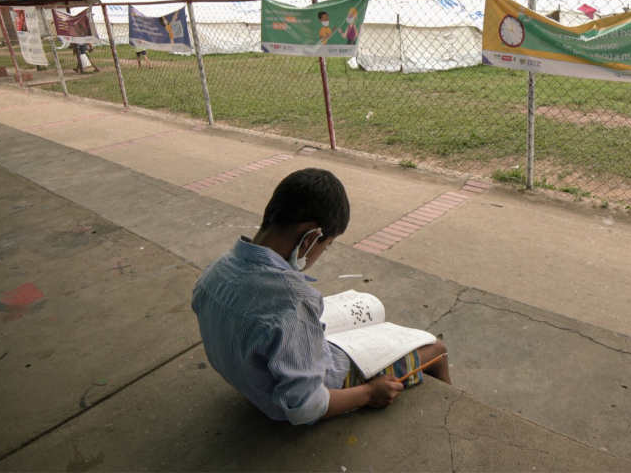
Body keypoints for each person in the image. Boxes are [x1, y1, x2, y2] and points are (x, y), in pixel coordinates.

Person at [191, 168, 451, 426]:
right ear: (310, 237)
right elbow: (305, 407)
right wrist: (370, 393)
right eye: (326, 246)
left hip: (252, 380)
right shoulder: (294, 301)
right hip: (292, 399)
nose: (322, 252)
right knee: (437, 350)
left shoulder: (216, 268)